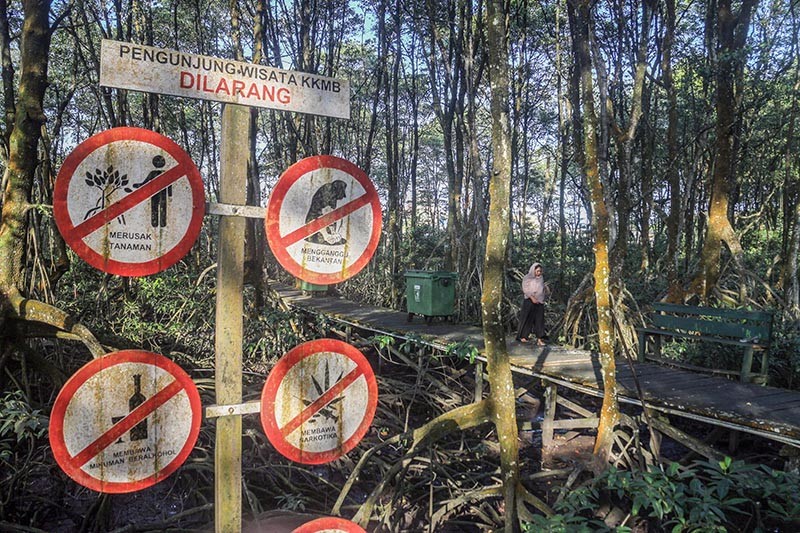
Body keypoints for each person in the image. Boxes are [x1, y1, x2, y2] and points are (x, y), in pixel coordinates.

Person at [516, 262, 549, 346]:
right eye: (537, 271)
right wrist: (532, 298)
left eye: (540, 271)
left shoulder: (541, 278)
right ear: (533, 270)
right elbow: (525, 289)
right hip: (529, 300)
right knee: (527, 319)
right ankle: (523, 336)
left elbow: (541, 290)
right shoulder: (527, 278)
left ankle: (540, 339)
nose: (539, 273)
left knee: (539, 321)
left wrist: (544, 293)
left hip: (539, 302)